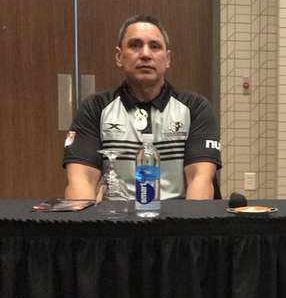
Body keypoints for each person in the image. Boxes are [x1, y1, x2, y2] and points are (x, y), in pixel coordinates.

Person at [63, 15, 221, 200]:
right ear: (119, 56)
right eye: (135, 45)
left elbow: (200, 179)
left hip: (178, 223)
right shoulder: (94, 107)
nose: (145, 54)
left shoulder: (196, 107)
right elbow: (81, 181)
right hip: (116, 222)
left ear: (168, 59)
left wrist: (186, 228)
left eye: (155, 46)